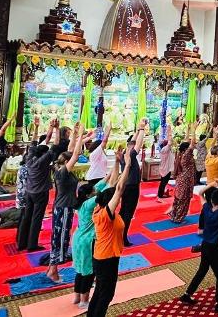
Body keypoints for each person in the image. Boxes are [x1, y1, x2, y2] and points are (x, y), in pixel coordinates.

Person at [86, 143, 132, 317]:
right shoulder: (105, 214)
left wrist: (118, 162)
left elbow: (113, 183)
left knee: (100, 292)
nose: (118, 199)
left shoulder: (99, 207)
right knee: (106, 295)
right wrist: (128, 164)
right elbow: (118, 189)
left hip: (104, 256)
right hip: (106, 259)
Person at [180, 180, 218, 313]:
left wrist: (212, 183)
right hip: (214, 248)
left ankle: (187, 294)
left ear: (211, 199)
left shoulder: (206, 208)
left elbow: (200, 192)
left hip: (205, 246)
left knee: (201, 271)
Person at [17, 119, 66, 252]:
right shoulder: (43, 162)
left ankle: (21, 243)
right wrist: (57, 128)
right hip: (40, 193)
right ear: (44, 154)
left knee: (27, 216)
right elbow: (55, 145)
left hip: (29, 192)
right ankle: (32, 245)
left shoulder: (30, 157)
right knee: (36, 218)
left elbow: (34, 142)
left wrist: (39, 127)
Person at [47, 124, 85, 282]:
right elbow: (75, 154)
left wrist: (75, 135)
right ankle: (53, 270)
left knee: (59, 237)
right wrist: (82, 134)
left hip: (64, 207)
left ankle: (51, 268)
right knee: (60, 239)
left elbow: (70, 151)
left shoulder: (59, 165)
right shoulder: (62, 172)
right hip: (63, 208)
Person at [120, 122, 146, 246]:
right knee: (128, 213)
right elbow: (138, 144)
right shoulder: (130, 154)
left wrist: (137, 131)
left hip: (126, 186)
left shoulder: (125, 152)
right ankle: (123, 237)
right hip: (131, 187)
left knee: (124, 211)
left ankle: (120, 234)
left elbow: (134, 142)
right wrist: (141, 129)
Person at [168, 123, 196, 223]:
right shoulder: (187, 156)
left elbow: (186, 142)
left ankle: (174, 216)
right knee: (183, 201)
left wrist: (188, 131)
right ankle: (178, 218)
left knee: (177, 199)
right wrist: (194, 129)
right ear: (186, 149)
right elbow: (192, 144)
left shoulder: (180, 154)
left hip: (180, 179)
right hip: (186, 181)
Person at [157, 120, 175, 203]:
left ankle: (161, 193)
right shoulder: (165, 150)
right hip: (166, 169)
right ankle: (160, 195)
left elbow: (169, 142)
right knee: (163, 182)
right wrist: (169, 130)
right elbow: (170, 142)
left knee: (163, 182)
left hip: (165, 168)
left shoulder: (164, 149)